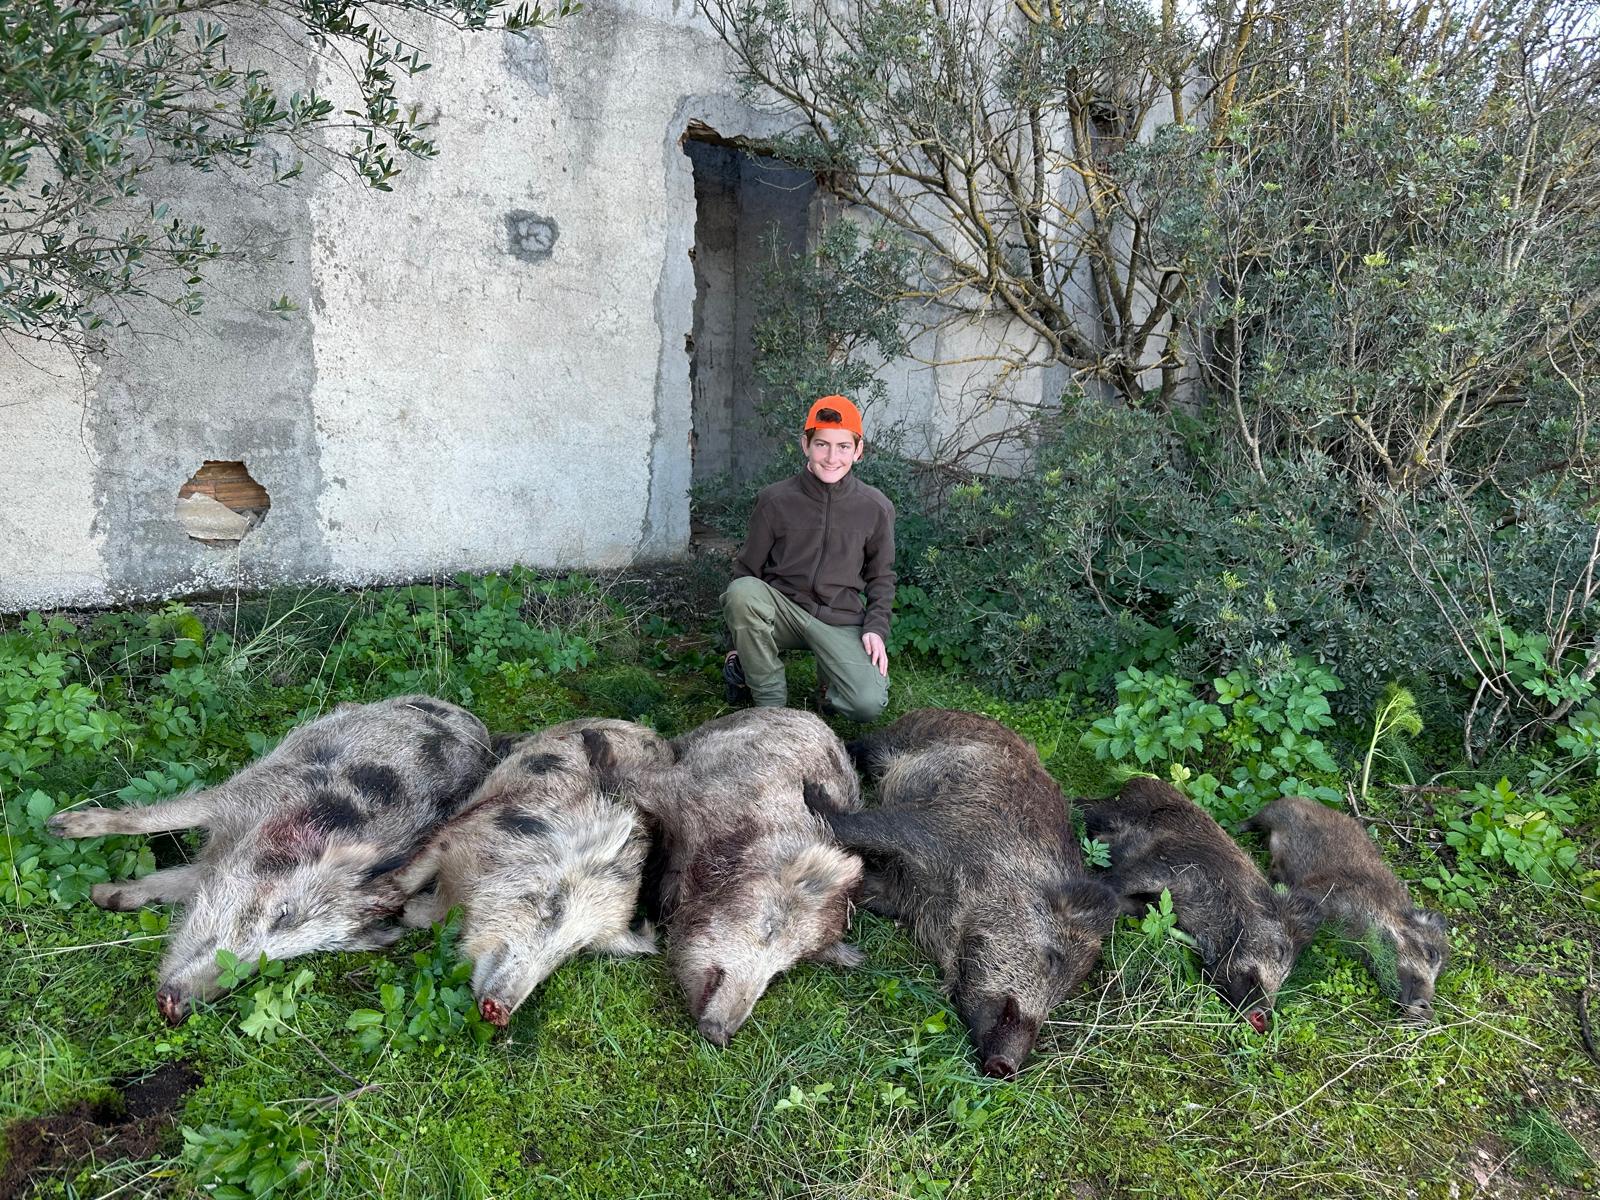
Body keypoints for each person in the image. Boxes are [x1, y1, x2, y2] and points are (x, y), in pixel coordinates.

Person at [721, 395, 894, 722]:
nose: (832, 457)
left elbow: (881, 578)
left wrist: (876, 628)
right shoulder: (775, 500)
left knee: (867, 704)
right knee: (743, 590)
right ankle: (771, 706)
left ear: (859, 450)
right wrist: (734, 643)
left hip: (839, 620)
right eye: (822, 445)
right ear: (805, 445)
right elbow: (746, 572)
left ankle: (829, 685)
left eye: (843, 446)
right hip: (783, 612)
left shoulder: (876, 507)